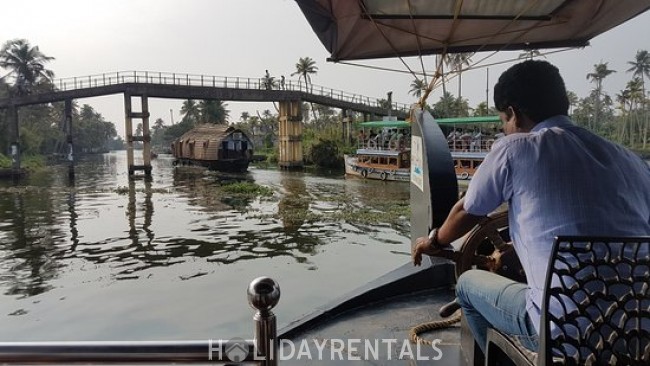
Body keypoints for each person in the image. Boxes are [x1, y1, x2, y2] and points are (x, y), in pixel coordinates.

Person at [412, 60, 650, 354]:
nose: (504, 129)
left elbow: (466, 210)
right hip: (636, 332)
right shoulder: (631, 160)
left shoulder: (516, 148)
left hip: (564, 335)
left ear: (512, 112)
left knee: (468, 285)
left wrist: (434, 240)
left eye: (502, 121)